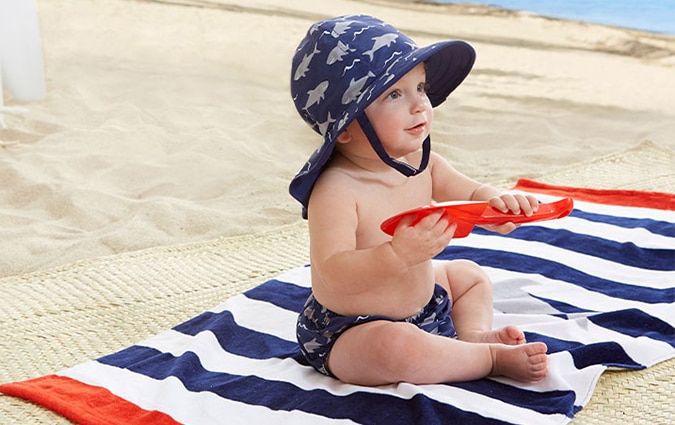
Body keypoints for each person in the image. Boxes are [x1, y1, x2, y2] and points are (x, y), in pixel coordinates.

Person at [290, 15, 548, 386]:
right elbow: (333, 273)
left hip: (425, 306)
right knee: (394, 348)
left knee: (469, 276)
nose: (419, 106)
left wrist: (496, 205)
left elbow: (472, 193)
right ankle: (487, 358)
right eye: (394, 94)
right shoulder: (336, 189)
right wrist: (395, 255)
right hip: (350, 329)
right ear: (346, 127)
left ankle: (471, 337)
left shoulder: (421, 163)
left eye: (421, 88)